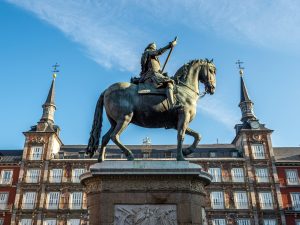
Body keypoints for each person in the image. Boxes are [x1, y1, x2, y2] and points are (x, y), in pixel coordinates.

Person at [140, 40, 179, 109]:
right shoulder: (148, 52)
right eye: (154, 48)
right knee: (169, 83)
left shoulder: (148, 55)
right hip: (152, 75)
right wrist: (170, 45)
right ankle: (172, 105)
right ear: (151, 48)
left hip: (152, 74)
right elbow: (159, 52)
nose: (155, 49)